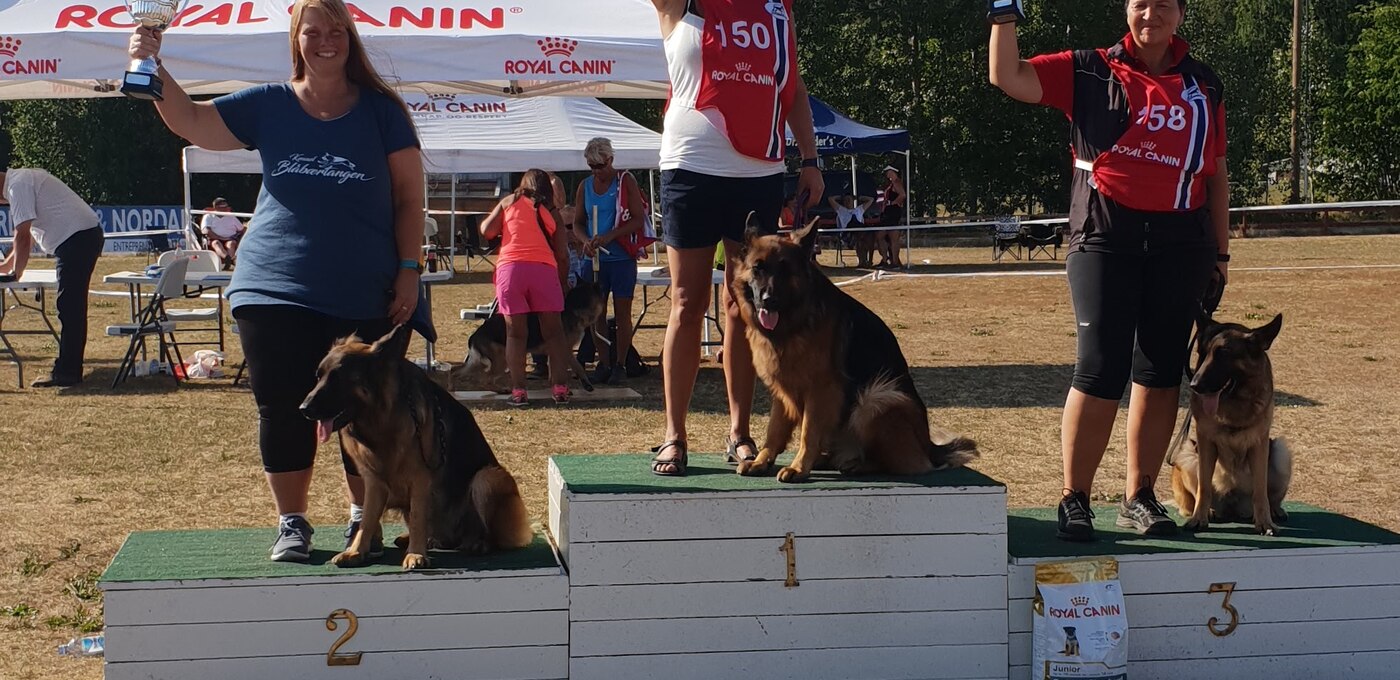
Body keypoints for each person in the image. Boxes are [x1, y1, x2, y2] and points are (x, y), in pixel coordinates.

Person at [130, 0, 428, 562]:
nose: (326, 41)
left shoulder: (382, 111)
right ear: (296, 39)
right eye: (313, 31)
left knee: (366, 409)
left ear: (350, 38)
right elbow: (192, 121)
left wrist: (409, 270)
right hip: (273, 286)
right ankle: (292, 523)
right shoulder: (268, 103)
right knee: (283, 405)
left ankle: (362, 518)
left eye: (336, 30)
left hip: (366, 288)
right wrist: (152, 64)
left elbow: (411, 198)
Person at [990, 0, 1229, 541]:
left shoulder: (1205, 84)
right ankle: (1074, 497)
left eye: (1163, 5)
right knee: (1100, 369)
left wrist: (1220, 254)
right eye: (1141, 3)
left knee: (1160, 373)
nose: (1151, 15)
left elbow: (1215, 172)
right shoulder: (1090, 68)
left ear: (1180, 14)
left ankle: (1139, 497)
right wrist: (1003, 13)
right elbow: (1007, 76)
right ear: (1127, 10)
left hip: (1181, 244)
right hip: (1103, 237)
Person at [649, 0, 824, 476]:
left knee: (742, 305)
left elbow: (792, 87)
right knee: (686, 301)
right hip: (691, 165)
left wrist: (810, 160)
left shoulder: (777, 8)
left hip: (759, 171)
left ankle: (739, 432)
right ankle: (674, 435)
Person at [0, 167, 105, 387]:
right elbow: (26, 236)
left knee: (70, 307)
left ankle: (68, 372)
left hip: (77, 239)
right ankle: (68, 369)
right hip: (82, 236)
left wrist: (15, 274)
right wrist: (7, 266)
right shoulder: (22, 179)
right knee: (71, 306)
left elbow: (22, 235)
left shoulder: (17, 186)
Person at [481, 169, 574, 407]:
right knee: (554, 333)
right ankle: (560, 388)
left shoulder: (508, 202)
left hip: (511, 270)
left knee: (515, 334)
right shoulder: (551, 211)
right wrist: (563, 282)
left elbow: (486, 230)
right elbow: (562, 254)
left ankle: (519, 391)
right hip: (543, 270)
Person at [574, 137, 646, 386]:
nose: (597, 172)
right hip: (595, 260)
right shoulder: (585, 186)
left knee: (622, 312)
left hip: (621, 258)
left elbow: (638, 219)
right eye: (592, 166)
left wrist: (610, 236)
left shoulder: (625, 181)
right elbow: (578, 222)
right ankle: (603, 362)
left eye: (600, 166)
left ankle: (620, 363)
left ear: (610, 160)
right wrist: (585, 240)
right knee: (597, 313)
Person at [199, 196, 246, 265]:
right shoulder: (208, 216)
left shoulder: (231, 217)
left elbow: (243, 229)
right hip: (215, 239)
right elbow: (205, 230)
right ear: (216, 207)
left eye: (226, 206)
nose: (225, 208)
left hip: (230, 238)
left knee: (231, 244)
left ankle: (230, 262)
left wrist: (241, 240)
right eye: (222, 206)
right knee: (216, 243)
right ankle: (227, 259)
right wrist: (218, 237)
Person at [877, 166, 906, 268]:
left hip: (893, 212)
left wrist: (893, 203)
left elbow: (902, 195)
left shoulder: (897, 182)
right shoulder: (890, 184)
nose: (887, 174)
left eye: (889, 172)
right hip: (887, 212)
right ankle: (885, 259)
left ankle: (895, 262)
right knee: (880, 236)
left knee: (893, 238)